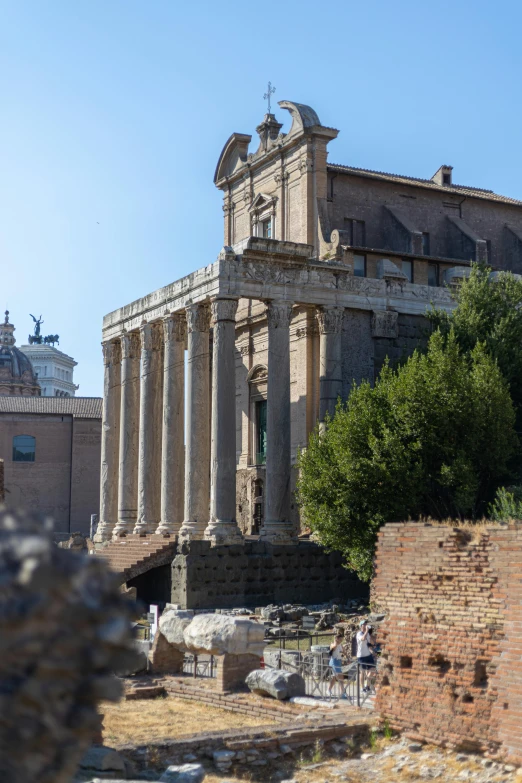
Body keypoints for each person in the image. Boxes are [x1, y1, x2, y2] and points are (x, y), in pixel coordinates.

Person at [356, 620, 375, 693]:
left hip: (368, 655)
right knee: (362, 672)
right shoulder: (359, 634)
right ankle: (362, 687)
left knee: (372, 670)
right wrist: (366, 631)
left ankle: (368, 686)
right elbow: (363, 639)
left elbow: (372, 643)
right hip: (361, 656)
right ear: (361, 626)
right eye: (364, 624)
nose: (366, 625)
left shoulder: (367, 634)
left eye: (366, 624)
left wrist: (371, 637)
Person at [328, 633, 347, 699]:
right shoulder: (332, 644)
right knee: (340, 678)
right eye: (340, 639)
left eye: (342, 639)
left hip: (338, 662)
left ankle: (329, 689)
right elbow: (334, 647)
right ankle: (342, 693)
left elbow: (344, 652)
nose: (341, 640)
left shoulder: (340, 645)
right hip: (334, 662)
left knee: (334, 678)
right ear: (337, 638)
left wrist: (347, 657)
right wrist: (335, 641)